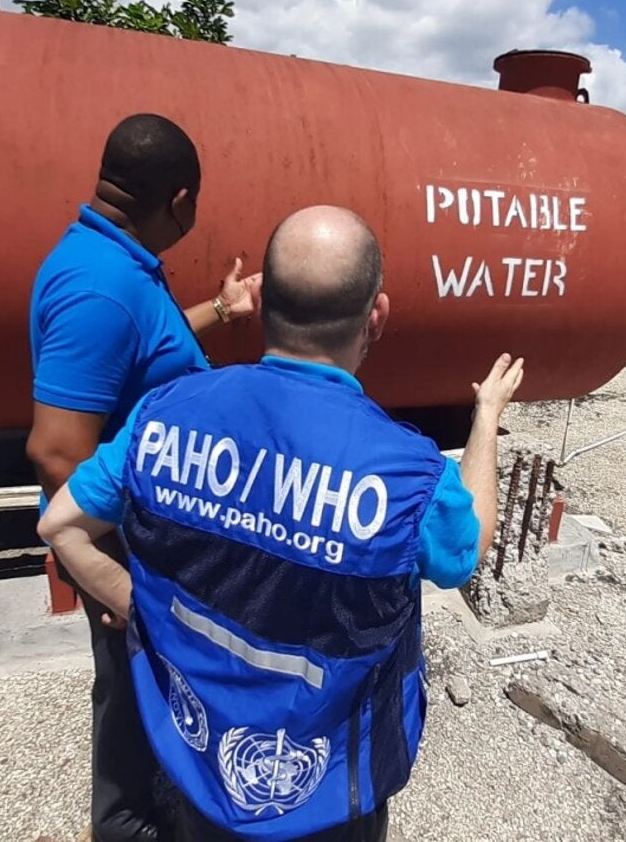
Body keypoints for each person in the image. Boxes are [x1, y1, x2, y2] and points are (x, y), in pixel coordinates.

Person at [38, 205, 524, 841]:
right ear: (375, 314)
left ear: (262, 304)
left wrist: (140, 604)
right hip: (332, 796)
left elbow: (61, 526)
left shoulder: (162, 413)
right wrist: (485, 418)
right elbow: (467, 552)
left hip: (199, 769)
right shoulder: (411, 474)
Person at [28, 113, 261, 842]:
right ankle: (125, 826)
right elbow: (57, 452)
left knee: (151, 688)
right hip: (130, 554)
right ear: (181, 199)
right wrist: (120, 569)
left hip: (144, 542)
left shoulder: (119, 264)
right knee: (128, 699)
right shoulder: (99, 288)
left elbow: (147, 351)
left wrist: (221, 311)